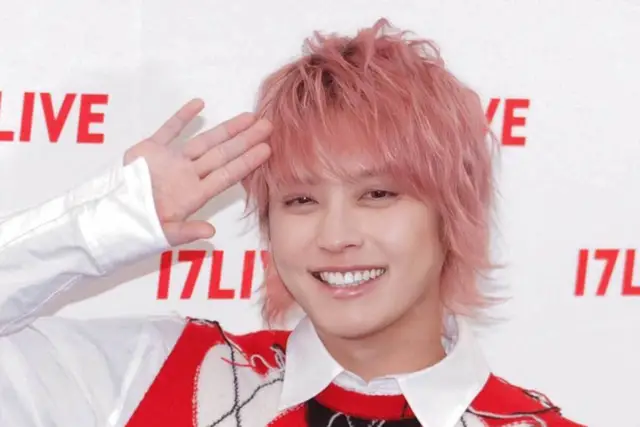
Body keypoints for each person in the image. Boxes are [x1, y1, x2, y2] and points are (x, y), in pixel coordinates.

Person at [0, 19, 583, 427]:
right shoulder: (159, 373)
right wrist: (105, 223)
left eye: (378, 194)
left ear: (452, 212)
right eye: (300, 201)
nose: (336, 236)